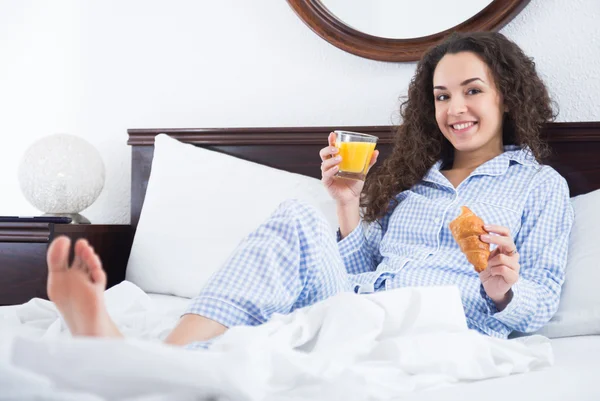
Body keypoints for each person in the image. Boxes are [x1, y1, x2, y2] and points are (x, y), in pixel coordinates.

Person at [45, 31, 574, 347]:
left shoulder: (537, 186)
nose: (455, 109)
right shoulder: (414, 183)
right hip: (359, 302)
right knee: (299, 220)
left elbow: (541, 303)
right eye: (441, 96)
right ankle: (163, 349)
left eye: (472, 91)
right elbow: (356, 266)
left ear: (507, 97)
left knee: (273, 334)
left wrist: (502, 287)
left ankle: (146, 357)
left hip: (442, 319)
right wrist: (347, 204)